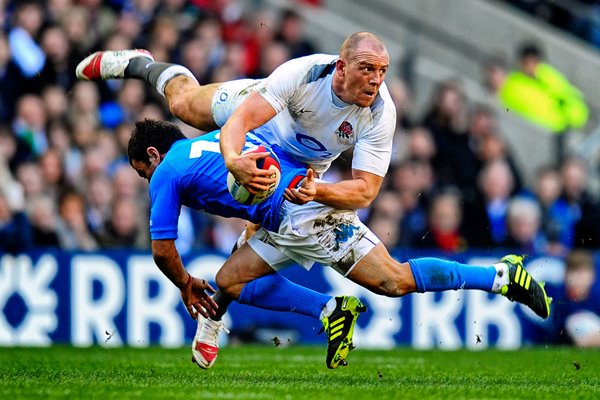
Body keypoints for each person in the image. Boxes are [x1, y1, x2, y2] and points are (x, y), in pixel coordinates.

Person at [128, 118, 551, 370]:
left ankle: (500, 275)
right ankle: (332, 311)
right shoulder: (220, 137)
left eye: (142, 172)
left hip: (306, 216)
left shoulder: (167, 172)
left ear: (153, 154)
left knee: (394, 281)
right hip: (284, 212)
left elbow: (163, 250)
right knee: (232, 279)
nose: (148, 181)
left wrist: (185, 283)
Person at [78, 32, 396, 365]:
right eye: (368, 69)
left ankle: (217, 324)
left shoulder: (378, 110)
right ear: (343, 68)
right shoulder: (304, 72)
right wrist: (233, 161)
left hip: (298, 163)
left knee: (241, 264)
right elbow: (241, 121)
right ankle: (140, 63)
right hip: (259, 121)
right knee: (183, 104)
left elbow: (367, 186)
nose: (375, 80)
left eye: (381, 72)